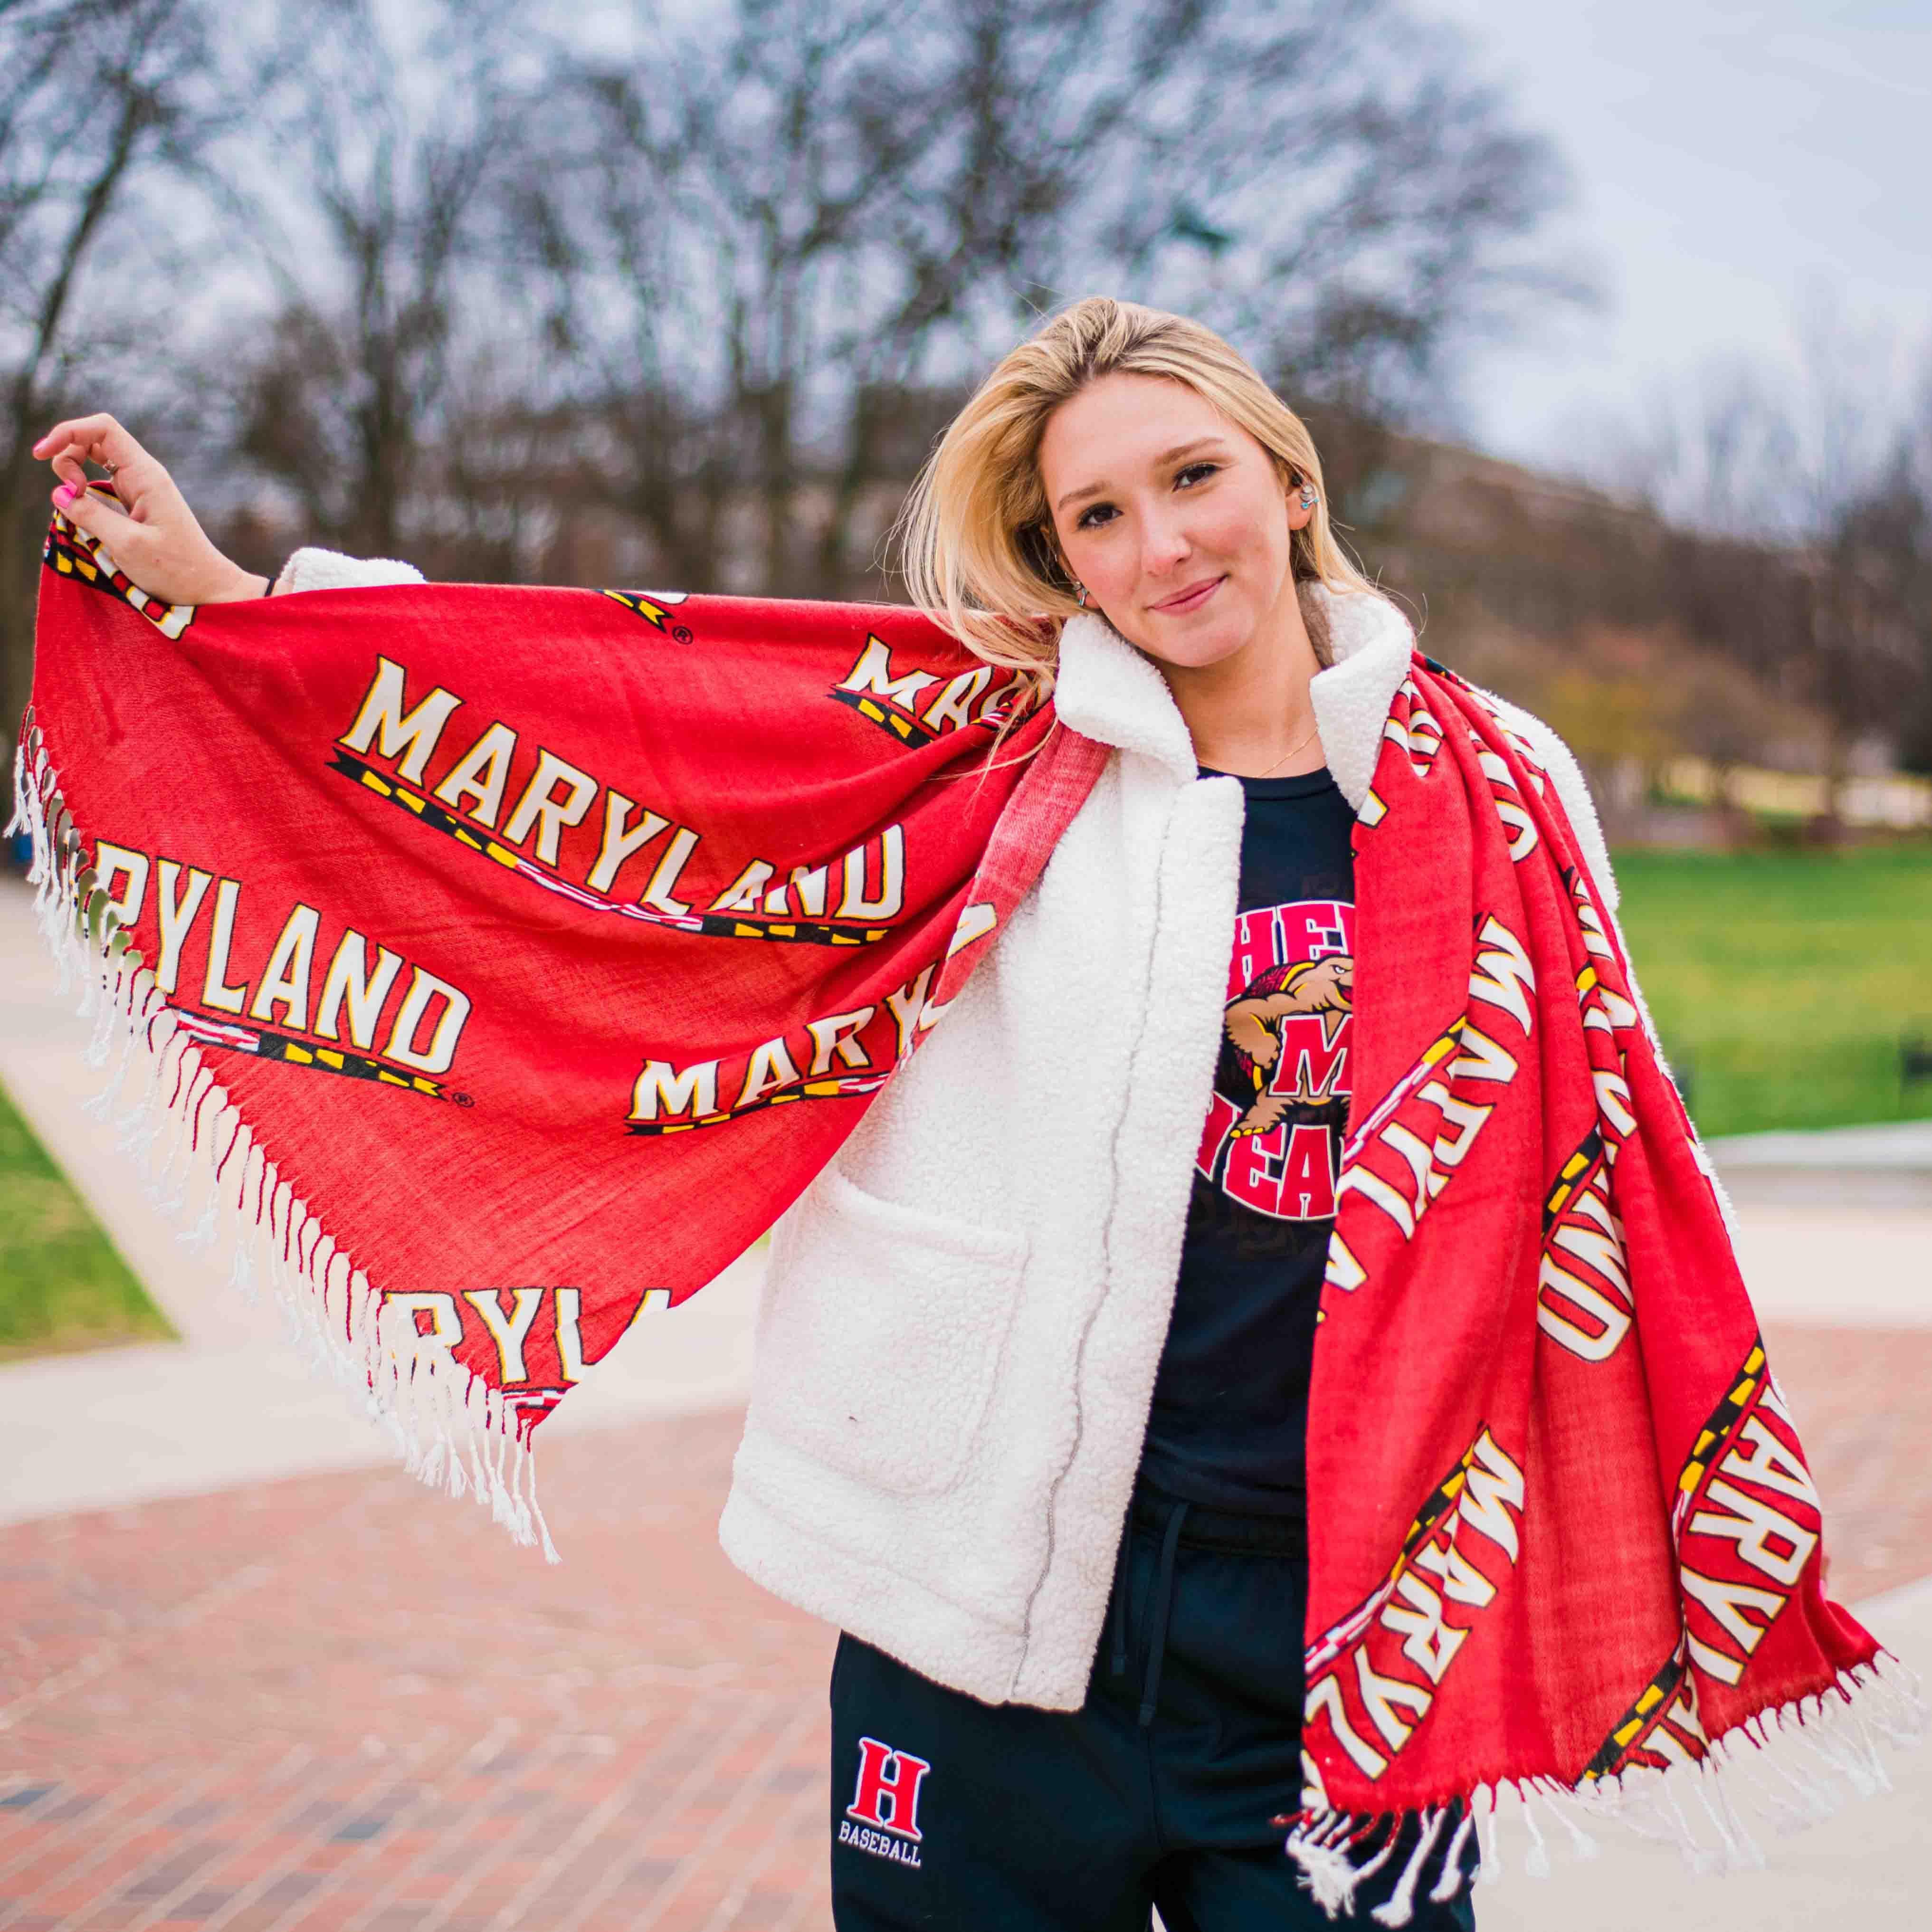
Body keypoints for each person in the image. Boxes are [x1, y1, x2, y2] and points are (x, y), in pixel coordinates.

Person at [36, 298, 1621, 1930]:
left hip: (1338, 1623)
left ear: (1287, 482)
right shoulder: (990, 749)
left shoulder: (1502, 784)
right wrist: (241, 601)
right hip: (986, 1605)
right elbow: (614, 722)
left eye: (1192, 475)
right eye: (1097, 514)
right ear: (1063, 558)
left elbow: (1598, 1156)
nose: (1161, 544)